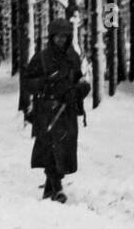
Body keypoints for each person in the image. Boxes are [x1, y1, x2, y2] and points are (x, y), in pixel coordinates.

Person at [23, 17, 90, 201]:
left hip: (66, 110)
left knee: (64, 149)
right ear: (51, 37)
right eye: (57, 36)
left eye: (64, 36)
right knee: (50, 148)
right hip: (47, 109)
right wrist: (44, 84)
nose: (61, 39)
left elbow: (80, 80)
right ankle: (57, 188)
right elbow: (28, 82)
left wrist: (79, 90)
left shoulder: (73, 57)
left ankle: (50, 189)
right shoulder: (41, 58)